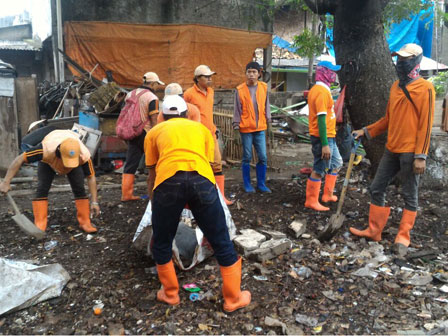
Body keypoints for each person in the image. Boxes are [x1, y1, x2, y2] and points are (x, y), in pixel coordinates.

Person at [144, 95, 251, 312]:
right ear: (186, 114)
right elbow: (210, 163)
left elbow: (151, 174)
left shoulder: (154, 133)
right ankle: (232, 299)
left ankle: (171, 294)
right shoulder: (201, 130)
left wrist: (157, 205)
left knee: (162, 241)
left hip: (167, 183)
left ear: (163, 116)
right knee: (221, 240)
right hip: (201, 181)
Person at [350, 43, 435, 254]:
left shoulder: (426, 88)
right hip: (392, 149)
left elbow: (426, 125)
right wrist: (366, 131)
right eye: (398, 59)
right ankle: (374, 230)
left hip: (410, 151)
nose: (400, 63)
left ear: (416, 61)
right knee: (376, 187)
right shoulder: (396, 86)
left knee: (409, 194)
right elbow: (387, 119)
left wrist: (421, 155)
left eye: (405, 59)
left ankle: (403, 237)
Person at [0, 130, 100, 233]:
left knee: (79, 188)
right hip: (48, 162)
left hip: (75, 162)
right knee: (42, 188)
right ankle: (40, 226)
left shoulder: (83, 155)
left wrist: (94, 202)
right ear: (59, 153)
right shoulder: (45, 150)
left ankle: (85, 223)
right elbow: (19, 160)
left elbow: (91, 177)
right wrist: (6, 182)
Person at [184, 65, 233, 205]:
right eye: (207, 77)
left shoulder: (211, 91)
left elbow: (208, 112)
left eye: (211, 76)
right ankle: (196, 198)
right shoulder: (188, 94)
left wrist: (214, 128)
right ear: (198, 79)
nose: (210, 79)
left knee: (217, 164)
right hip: (196, 136)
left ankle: (221, 197)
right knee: (197, 167)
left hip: (210, 134)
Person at [304, 61, 343, 211]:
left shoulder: (323, 90)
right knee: (319, 168)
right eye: (332, 71)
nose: (335, 74)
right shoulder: (320, 92)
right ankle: (311, 200)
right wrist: (325, 144)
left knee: (336, 163)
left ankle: (327, 194)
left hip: (329, 136)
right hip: (323, 138)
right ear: (324, 72)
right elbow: (321, 119)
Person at [121, 72, 164, 201]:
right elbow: (154, 117)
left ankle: (126, 194)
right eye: (157, 84)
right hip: (145, 133)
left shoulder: (131, 93)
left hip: (132, 132)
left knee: (131, 163)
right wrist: (157, 134)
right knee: (155, 162)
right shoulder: (152, 97)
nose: (157, 87)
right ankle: (156, 191)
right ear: (152, 83)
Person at [233, 61, 271, 193]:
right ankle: (247, 184)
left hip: (260, 128)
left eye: (254, 72)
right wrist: (236, 128)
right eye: (249, 72)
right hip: (246, 129)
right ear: (245, 74)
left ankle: (261, 184)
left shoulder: (264, 87)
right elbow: (237, 110)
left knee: (263, 157)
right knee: (247, 157)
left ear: (259, 74)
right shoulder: (240, 90)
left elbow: (267, 106)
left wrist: (269, 122)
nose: (251, 74)